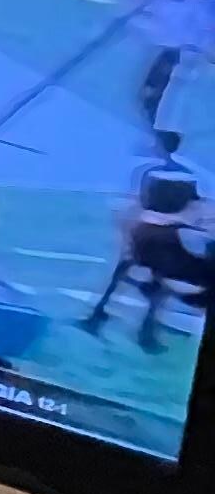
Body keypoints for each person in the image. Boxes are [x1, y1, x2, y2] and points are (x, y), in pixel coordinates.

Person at [83, 128, 210, 354]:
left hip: (145, 234)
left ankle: (100, 317)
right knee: (162, 277)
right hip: (167, 237)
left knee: (129, 269)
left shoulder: (151, 173)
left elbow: (145, 202)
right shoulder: (186, 174)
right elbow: (193, 205)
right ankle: (145, 332)